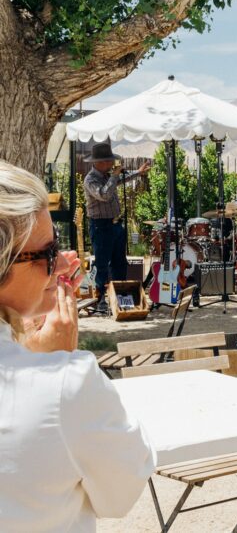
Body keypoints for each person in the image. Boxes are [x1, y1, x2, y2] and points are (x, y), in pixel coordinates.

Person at [0, 160, 155, 531]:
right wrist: (53, 365)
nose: (59, 268)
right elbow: (121, 494)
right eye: (48, 253)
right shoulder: (64, 383)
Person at [83, 143, 150, 312]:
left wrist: (138, 173)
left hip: (115, 224)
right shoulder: (91, 179)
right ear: (101, 162)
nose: (112, 165)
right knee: (102, 263)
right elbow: (104, 194)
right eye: (109, 161)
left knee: (120, 263)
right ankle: (100, 300)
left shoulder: (107, 176)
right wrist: (114, 176)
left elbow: (120, 180)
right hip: (101, 226)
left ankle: (120, 297)